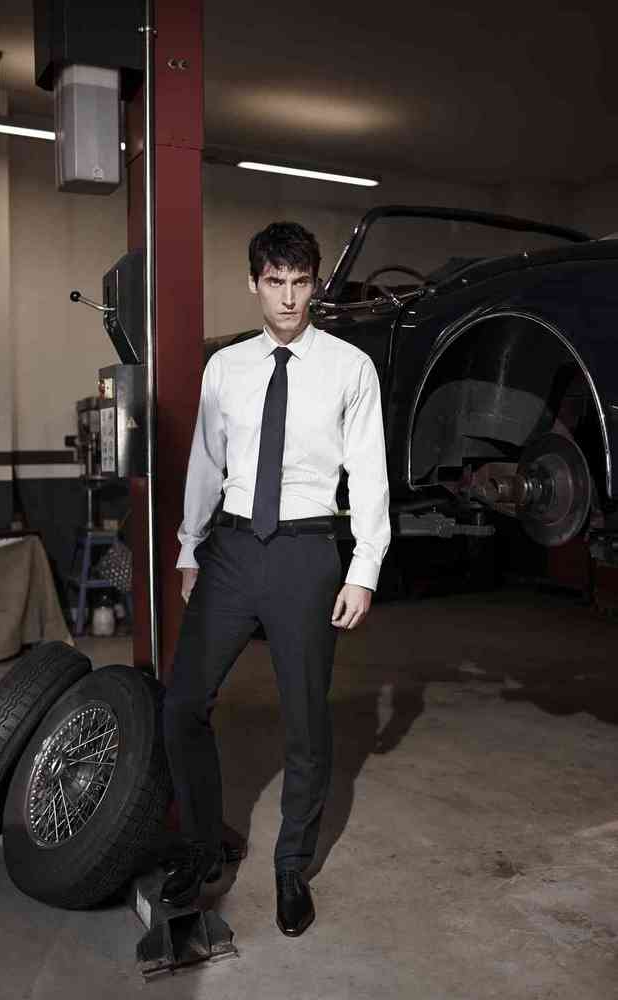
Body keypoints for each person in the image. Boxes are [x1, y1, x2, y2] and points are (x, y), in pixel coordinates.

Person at [163, 221, 391, 936]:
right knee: (182, 703)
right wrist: (189, 549)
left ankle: (292, 865)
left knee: (306, 721)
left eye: (300, 283)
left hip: (306, 553)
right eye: (275, 283)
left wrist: (364, 568)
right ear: (254, 284)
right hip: (232, 549)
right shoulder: (225, 368)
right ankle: (202, 848)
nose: (289, 298)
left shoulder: (350, 368)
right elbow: (206, 463)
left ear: (315, 284)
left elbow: (370, 473)